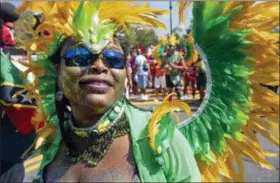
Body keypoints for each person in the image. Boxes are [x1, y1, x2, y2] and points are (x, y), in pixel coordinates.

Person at [0, 1, 200, 182]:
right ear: (58, 72)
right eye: (79, 57)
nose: (99, 66)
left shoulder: (159, 138)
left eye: (113, 59)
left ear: (126, 73)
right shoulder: (50, 142)